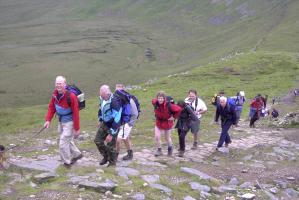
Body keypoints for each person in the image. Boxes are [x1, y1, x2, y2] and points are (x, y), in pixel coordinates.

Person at [44, 76, 82, 168]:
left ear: (64, 84)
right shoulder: (55, 95)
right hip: (61, 121)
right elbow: (51, 107)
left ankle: (67, 163)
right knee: (66, 140)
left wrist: (76, 129)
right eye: (57, 83)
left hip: (70, 122)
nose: (58, 85)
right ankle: (77, 154)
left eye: (60, 83)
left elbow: (76, 113)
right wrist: (48, 120)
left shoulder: (71, 96)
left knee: (63, 142)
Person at [94, 85, 122, 167]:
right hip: (105, 123)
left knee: (110, 145)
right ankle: (106, 156)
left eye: (103, 96)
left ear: (108, 93)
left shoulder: (114, 102)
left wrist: (111, 133)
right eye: (101, 96)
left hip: (113, 125)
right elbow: (101, 109)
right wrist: (100, 119)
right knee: (97, 140)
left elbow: (117, 119)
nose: (102, 98)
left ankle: (112, 163)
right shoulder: (102, 98)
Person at [152, 91, 182, 157]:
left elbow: (179, 109)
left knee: (167, 137)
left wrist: (173, 117)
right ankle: (159, 150)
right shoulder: (155, 103)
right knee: (157, 136)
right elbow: (153, 100)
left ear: (164, 98)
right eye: (159, 98)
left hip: (167, 123)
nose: (160, 100)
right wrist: (155, 100)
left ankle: (170, 148)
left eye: (161, 98)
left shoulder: (169, 105)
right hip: (158, 122)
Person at [115, 84, 139, 161]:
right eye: (116, 88)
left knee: (118, 139)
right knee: (125, 137)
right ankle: (130, 154)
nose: (117, 90)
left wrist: (129, 124)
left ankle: (115, 157)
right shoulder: (118, 98)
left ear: (123, 89)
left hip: (129, 121)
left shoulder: (128, 99)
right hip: (123, 121)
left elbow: (135, 113)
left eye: (119, 88)